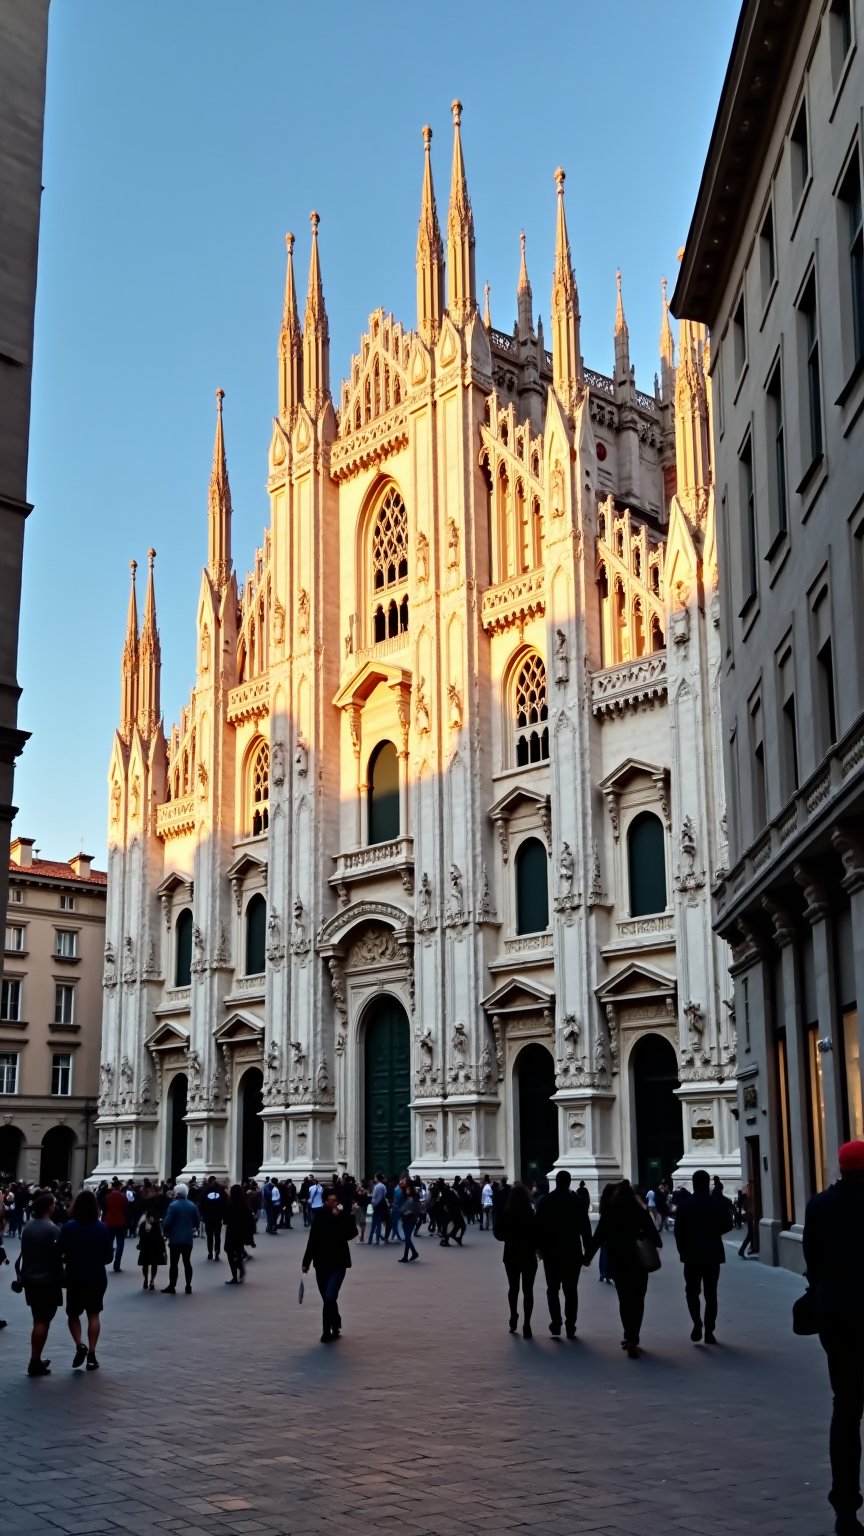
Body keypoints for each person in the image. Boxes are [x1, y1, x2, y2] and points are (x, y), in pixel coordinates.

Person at [803, 1139, 864, 1535]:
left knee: (846, 1407)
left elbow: (812, 1259)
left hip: (837, 1315)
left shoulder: (819, 1205)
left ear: (840, 1167)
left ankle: (845, 1507)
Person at [590, 1180, 661, 1357]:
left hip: (618, 1262)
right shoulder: (640, 1213)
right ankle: (633, 1336)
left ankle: (628, 1336)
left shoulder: (610, 1213)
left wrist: (587, 1257)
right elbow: (656, 1239)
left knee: (624, 1300)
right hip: (639, 1263)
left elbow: (598, 1237)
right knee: (638, 1301)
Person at [672, 1168, 733, 1343]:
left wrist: (682, 1251)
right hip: (712, 1253)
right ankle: (710, 1330)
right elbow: (728, 1225)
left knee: (692, 1291)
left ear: (693, 1183)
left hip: (691, 1254)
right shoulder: (717, 1203)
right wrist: (714, 1233)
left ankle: (697, 1321)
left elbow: (678, 1232)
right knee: (711, 1293)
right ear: (708, 1184)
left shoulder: (685, 1205)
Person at [58, 1188, 113, 1371]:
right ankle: (92, 1353)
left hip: (74, 1276)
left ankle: (79, 1344)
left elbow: (58, 1252)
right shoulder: (101, 1227)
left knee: (73, 1314)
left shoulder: (68, 1227)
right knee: (94, 1314)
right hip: (97, 1276)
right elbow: (108, 1257)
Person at [534, 1170, 594, 1338]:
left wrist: (538, 1248)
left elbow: (538, 1227)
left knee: (552, 1289)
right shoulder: (577, 1202)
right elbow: (586, 1230)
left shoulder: (545, 1201)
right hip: (572, 1252)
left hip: (551, 1252)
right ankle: (570, 1325)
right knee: (571, 1290)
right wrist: (588, 1253)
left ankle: (556, 1322)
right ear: (569, 1182)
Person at [302, 1191, 358, 1342]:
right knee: (328, 1299)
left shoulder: (341, 1217)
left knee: (329, 1296)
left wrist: (341, 1215)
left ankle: (326, 1330)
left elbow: (352, 1233)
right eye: (331, 1200)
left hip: (339, 1264)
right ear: (325, 1201)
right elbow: (312, 1241)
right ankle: (336, 1321)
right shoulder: (319, 1219)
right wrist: (306, 1262)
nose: (334, 1203)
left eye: (336, 1200)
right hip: (321, 1264)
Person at [19, 1191, 63, 1376]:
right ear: (48, 1207)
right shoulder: (52, 1229)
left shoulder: (28, 1226)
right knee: (42, 1321)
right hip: (47, 1281)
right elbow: (57, 1255)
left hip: (30, 1279)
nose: (55, 1207)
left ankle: (36, 1358)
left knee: (38, 1318)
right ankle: (34, 1361)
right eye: (53, 1204)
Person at [493, 1181, 538, 1337]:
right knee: (528, 1290)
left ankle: (513, 1315)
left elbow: (498, 1234)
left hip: (511, 1254)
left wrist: (509, 1236)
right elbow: (537, 1234)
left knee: (513, 1288)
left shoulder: (507, 1213)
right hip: (528, 1255)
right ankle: (527, 1323)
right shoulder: (530, 1213)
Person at [161, 1182, 199, 1294]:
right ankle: (188, 1285)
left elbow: (167, 1223)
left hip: (175, 1239)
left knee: (174, 1264)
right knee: (187, 1262)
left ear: (177, 1193)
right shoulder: (192, 1205)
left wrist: (165, 1231)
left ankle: (172, 1285)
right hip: (188, 1239)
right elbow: (197, 1222)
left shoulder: (173, 1206)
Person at [224, 1185, 256, 1284]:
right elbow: (250, 1220)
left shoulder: (230, 1204)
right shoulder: (245, 1205)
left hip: (232, 1231)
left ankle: (234, 1276)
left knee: (229, 1252)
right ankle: (240, 1266)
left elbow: (225, 1219)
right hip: (241, 1232)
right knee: (238, 1250)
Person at [136, 1208, 167, 1291]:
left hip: (149, 1247)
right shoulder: (156, 1225)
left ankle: (149, 1280)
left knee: (148, 1264)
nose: (150, 1218)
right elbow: (160, 1237)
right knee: (151, 1264)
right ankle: (149, 1280)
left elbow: (140, 1235)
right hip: (152, 1247)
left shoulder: (149, 1224)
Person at [103, 1176, 128, 1273]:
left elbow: (104, 1210)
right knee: (120, 1244)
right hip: (121, 1222)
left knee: (109, 1243)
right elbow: (126, 1211)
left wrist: (102, 1221)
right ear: (120, 1187)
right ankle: (117, 1263)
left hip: (109, 1222)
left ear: (112, 1187)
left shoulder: (107, 1197)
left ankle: (108, 1259)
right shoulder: (123, 1197)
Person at [200, 1177, 225, 1260]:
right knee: (217, 1235)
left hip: (208, 1218)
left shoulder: (205, 1192)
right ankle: (217, 1250)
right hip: (218, 1217)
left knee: (209, 1236)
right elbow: (224, 1205)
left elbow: (201, 1205)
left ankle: (210, 1252)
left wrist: (203, 1215)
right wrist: (222, 1215)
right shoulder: (221, 1192)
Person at [397, 1184, 420, 1262]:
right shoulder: (415, 1199)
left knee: (407, 1237)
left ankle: (413, 1252)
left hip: (408, 1219)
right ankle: (406, 1255)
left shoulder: (410, 1200)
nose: (406, 1191)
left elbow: (407, 1210)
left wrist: (403, 1214)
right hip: (412, 1219)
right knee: (408, 1237)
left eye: (408, 1189)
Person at [369, 1174, 388, 1245]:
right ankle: (374, 1239)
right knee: (378, 1223)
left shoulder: (378, 1186)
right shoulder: (383, 1186)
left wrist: (374, 1205)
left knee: (375, 1223)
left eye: (375, 1177)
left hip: (377, 1207)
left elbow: (379, 1198)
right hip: (381, 1206)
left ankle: (373, 1239)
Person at [738, 1182, 755, 1257]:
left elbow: (743, 1207)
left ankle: (746, 1250)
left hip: (749, 1215)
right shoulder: (749, 1197)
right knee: (750, 1234)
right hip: (750, 1216)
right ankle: (742, 1250)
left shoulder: (747, 1197)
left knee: (751, 1234)